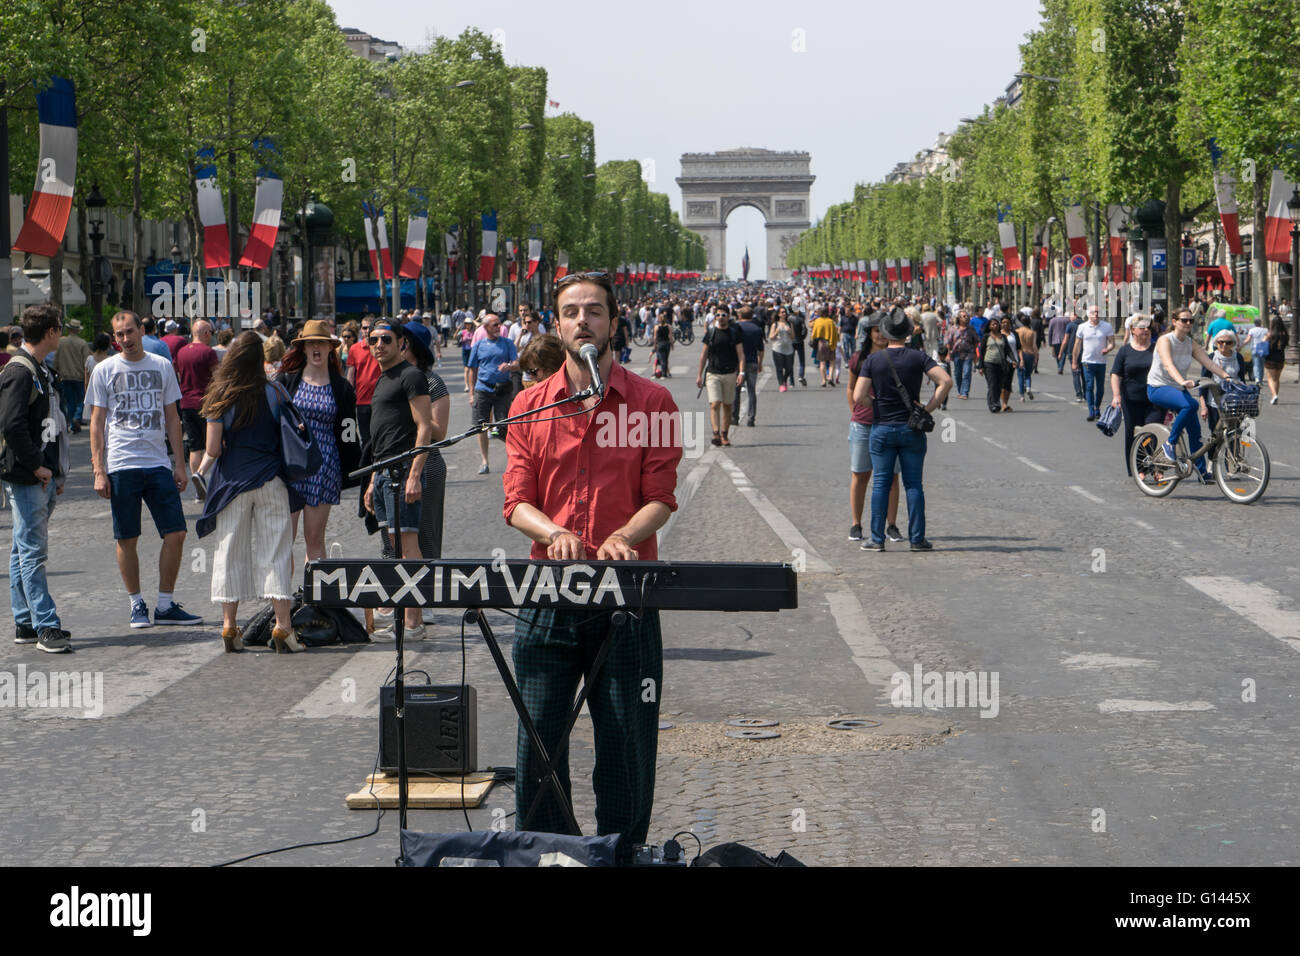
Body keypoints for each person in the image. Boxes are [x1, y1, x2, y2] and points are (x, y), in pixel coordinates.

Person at [503, 271, 682, 867]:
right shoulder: (528, 405)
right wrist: (552, 531)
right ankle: (555, 855)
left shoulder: (652, 402)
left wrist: (622, 537)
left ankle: (621, 855)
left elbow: (661, 494)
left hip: (626, 602)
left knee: (627, 745)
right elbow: (516, 501)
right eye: (572, 311)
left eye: (595, 311)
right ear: (557, 325)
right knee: (537, 747)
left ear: (614, 322)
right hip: (546, 596)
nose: (583, 320)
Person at [87, 310, 203, 629]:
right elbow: (96, 424)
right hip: (122, 463)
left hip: (157, 463)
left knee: (177, 532)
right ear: (115, 339)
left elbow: (172, 419)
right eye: (119, 335)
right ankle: (136, 604)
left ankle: (165, 605)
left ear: (142, 330)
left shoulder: (161, 365)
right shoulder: (104, 370)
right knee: (128, 537)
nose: (125, 339)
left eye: (130, 332)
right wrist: (99, 470)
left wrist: (179, 464)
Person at [194, 332, 300, 653]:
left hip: (231, 484)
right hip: (271, 480)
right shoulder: (275, 390)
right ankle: (283, 628)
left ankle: (229, 626)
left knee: (229, 552)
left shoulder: (219, 395)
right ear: (259, 358)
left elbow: (212, 448)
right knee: (276, 553)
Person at [1, 304, 70, 653]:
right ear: (50, 332)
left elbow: (50, 424)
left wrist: (55, 469)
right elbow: (11, 424)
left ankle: (25, 621)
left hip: (40, 473)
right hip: (28, 476)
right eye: (60, 327)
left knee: (21, 550)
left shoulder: (39, 368)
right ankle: (46, 625)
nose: (62, 332)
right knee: (33, 552)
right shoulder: (20, 370)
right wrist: (36, 466)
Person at [852, 308, 952, 551]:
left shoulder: (874, 360)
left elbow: (858, 395)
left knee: (880, 484)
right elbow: (946, 381)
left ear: (885, 333)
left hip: (882, 427)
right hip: (911, 428)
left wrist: (876, 405)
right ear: (908, 334)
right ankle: (917, 539)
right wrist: (928, 408)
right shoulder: (918, 357)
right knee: (914, 485)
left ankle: (876, 539)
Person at [362, 318, 437, 640]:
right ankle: (402, 618)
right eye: (374, 339)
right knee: (394, 549)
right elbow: (383, 435)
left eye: (386, 339)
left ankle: (414, 624)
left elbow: (425, 427)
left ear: (401, 343)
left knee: (408, 548)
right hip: (383, 472)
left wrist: (415, 474)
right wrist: (372, 479)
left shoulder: (411, 375)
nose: (379, 345)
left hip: (404, 471)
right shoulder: (383, 378)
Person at [277, 321, 360, 564]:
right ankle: (283, 600)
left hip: (324, 467)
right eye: (310, 343)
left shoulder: (341, 387)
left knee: (314, 539)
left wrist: (352, 472)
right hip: (290, 467)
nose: (316, 347)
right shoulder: (286, 380)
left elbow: (348, 432)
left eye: (321, 343)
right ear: (302, 348)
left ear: (329, 348)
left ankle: (314, 598)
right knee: (283, 540)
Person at [1147, 309, 1233, 480]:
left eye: (1190, 321)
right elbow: (1167, 364)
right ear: (1174, 321)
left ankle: (1201, 471)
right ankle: (1170, 444)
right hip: (1158, 387)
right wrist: (1182, 381)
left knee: (1195, 430)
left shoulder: (1190, 343)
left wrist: (1227, 377)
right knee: (1191, 405)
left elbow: (1209, 363)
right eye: (1184, 320)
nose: (1188, 324)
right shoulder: (1165, 340)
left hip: (1177, 388)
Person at [845, 313, 901, 542]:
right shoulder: (859, 358)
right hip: (863, 423)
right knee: (860, 475)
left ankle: (892, 525)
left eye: (883, 330)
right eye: (876, 330)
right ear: (869, 333)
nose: (880, 334)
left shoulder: (897, 356)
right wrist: (855, 411)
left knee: (891, 477)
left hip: (891, 422)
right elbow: (850, 388)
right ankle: (856, 523)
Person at [1108, 316, 1162, 477]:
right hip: (1131, 400)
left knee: (1154, 432)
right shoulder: (1125, 351)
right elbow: (1115, 374)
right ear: (1132, 330)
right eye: (1142, 327)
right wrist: (1116, 395)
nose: (1146, 329)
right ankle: (1139, 468)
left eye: (1148, 327)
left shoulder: (1157, 349)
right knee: (1134, 433)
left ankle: (1157, 468)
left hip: (1155, 398)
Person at [466, 312, 518, 475]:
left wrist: (509, 366)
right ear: (486, 327)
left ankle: (514, 458)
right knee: (480, 426)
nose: (499, 327)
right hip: (483, 388)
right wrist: (472, 393)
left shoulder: (507, 343)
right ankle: (484, 461)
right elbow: (472, 370)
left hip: (503, 389)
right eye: (495, 324)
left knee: (503, 426)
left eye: (499, 324)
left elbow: (516, 363)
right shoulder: (479, 345)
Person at [175, 320, 220, 501]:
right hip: (206, 403)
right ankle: (203, 476)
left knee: (195, 446)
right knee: (213, 444)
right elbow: (217, 379)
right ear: (207, 333)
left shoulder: (181, 352)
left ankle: (197, 482)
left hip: (186, 403)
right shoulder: (208, 352)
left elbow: (179, 375)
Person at [696, 304, 744, 447]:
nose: (721, 317)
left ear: (728, 317)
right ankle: (716, 433)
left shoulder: (734, 333)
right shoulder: (711, 333)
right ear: (715, 317)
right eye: (718, 315)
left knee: (728, 406)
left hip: (730, 373)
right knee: (715, 403)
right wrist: (699, 375)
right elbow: (703, 355)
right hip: (713, 373)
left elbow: (741, 355)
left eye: (724, 315)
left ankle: (724, 434)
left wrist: (741, 372)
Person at [1072, 307, 1115, 420]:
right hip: (1087, 361)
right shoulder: (1082, 327)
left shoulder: (1107, 326)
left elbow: (1112, 343)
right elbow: (1077, 345)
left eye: (1097, 312)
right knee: (1089, 386)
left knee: (1100, 387)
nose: (1096, 314)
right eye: (1093, 312)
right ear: (1088, 315)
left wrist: (1108, 349)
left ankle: (1097, 407)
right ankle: (1091, 411)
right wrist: (1074, 361)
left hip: (1101, 362)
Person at [1199, 327, 1243, 435]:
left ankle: (1233, 452)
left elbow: (1242, 380)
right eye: (1220, 342)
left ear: (1232, 344)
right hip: (1215, 403)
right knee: (1216, 435)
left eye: (1228, 343)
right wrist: (1203, 407)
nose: (1224, 345)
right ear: (1216, 343)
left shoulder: (1238, 357)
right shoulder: (1211, 357)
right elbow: (1203, 384)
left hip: (1234, 403)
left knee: (1234, 435)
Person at [346, 314, 380, 447]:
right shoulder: (354, 349)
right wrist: (348, 396)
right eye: (364, 327)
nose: (366, 330)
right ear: (360, 329)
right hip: (362, 401)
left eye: (369, 327)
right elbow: (350, 374)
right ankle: (367, 466)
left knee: (379, 437)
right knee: (365, 438)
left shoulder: (380, 347)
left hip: (379, 400)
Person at [53, 318, 90, 433]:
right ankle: (76, 418)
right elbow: (86, 362)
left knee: (69, 401)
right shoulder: (82, 343)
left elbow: (56, 360)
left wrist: (57, 372)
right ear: (78, 330)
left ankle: (72, 423)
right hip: (79, 376)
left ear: (69, 329)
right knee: (81, 400)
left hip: (65, 376)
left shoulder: (61, 342)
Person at [732, 305, 765, 427]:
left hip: (737, 362)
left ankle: (734, 417)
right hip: (752, 362)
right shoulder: (757, 329)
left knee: (736, 391)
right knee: (751, 391)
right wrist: (760, 363)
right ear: (752, 316)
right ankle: (751, 418)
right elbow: (761, 349)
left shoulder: (736, 327)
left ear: (740, 315)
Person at [978, 319, 1014, 414]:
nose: (995, 326)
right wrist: (980, 366)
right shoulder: (986, 337)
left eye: (996, 324)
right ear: (989, 326)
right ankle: (993, 404)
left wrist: (1013, 359)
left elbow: (1008, 350)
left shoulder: (1003, 337)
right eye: (993, 324)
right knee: (992, 384)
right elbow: (981, 352)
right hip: (989, 364)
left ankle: (996, 402)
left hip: (1001, 364)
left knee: (999, 385)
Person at [809, 306, 839, 387]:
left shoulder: (818, 321)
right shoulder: (831, 322)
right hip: (830, 343)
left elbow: (814, 333)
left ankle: (823, 380)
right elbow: (835, 334)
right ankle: (830, 377)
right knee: (832, 361)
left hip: (821, 343)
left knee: (822, 362)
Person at [768, 307, 795, 391]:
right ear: (779, 314)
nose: (784, 313)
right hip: (777, 349)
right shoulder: (775, 324)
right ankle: (781, 384)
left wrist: (790, 331)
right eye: (782, 312)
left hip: (789, 349)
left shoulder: (789, 324)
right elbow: (771, 337)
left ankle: (784, 380)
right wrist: (776, 332)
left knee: (789, 368)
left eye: (785, 312)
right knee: (779, 368)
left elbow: (793, 337)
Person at [1263, 314, 1288, 405]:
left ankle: (1274, 395)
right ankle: (1275, 395)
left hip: (1270, 359)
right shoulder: (1285, 334)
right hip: (1281, 359)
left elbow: (1263, 343)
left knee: (1270, 378)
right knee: (1277, 379)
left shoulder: (1270, 335)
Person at [1015, 314, 1038, 401]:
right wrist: (1036, 357)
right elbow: (1034, 346)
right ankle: (1028, 388)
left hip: (1020, 353)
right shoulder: (1032, 332)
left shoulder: (1017, 331)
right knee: (1028, 374)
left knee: (1020, 374)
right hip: (1030, 353)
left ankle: (1022, 395)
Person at [652, 310, 674, 378]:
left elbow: (655, 337)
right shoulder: (669, 326)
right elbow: (670, 336)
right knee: (665, 359)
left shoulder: (656, 327)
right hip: (667, 344)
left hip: (660, 344)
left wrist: (654, 345)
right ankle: (665, 373)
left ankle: (663, 374)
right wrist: (672, 344)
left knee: (662, 359)